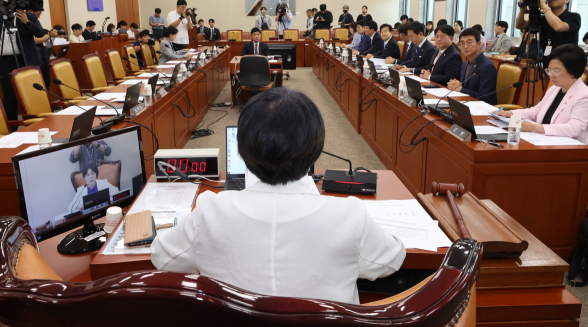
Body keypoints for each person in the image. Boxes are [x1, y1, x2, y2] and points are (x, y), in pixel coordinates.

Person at [151, 87, 406, 304]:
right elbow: (392, 259)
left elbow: (161, 256)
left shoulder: (209, 212)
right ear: (316, 149)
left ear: (243, 149)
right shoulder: (350, 215)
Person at [497, 44, 588, 174]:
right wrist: (509, 113)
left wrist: (536, 127)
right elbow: (535, 112)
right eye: (549, 70)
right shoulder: (555, 88)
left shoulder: (586, 96)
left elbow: (574, 128)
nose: (551, 75)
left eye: (556, 71)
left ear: (574, 71)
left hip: (576, 158)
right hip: (548, 148)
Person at [516, 0, 580, 67]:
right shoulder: (544, 18)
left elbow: (559, 27)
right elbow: (520, 26)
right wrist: (522, 10)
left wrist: (544, 7)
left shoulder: (573, 17)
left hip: (567, 65)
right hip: (548, 64)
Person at [446, 28, 498, 104]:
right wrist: (454, 84)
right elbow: (464, 87)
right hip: (466, 103)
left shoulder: (487, 66)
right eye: (462, 43)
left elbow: (485, 97)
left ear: (479, 44)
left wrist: (461, 89)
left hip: (482, 109)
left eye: (469, 43)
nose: (465, 46)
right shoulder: (465, 64)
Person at [27, 5, 57, 89]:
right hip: (36, 58)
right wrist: (49, 36)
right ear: (30, 12)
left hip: (44, 56)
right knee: (40, 83)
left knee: (46, 82)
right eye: (37, 14)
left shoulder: (36, 23)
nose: (38, 17)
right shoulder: (26, 24)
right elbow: (35, 40)